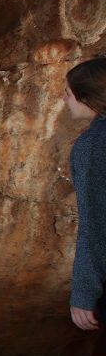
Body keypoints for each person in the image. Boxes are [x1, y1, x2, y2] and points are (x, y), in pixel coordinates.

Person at [63, 58, 106, 331]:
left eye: (68, 93)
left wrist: (83, 293)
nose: (64, 100)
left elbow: (96, 225)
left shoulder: (92, 147)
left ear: (88, 98)